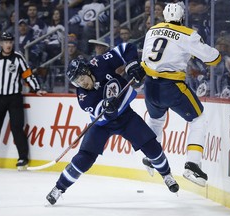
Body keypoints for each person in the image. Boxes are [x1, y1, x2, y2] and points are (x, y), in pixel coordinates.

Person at [46, 42, 179, 205]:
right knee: (84, 158)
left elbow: (126, 48)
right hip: (102, 125)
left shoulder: (99, 63)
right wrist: (107, 109)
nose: (82, 84)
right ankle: (59, 188)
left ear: (86, 70)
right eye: (77, 82)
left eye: (81, 78)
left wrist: (131, 65)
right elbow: (100, 117)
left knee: (152, 146)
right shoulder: (83, 97)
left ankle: (166, 175)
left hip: (126, 117)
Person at [140, 3, 221, 187]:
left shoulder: (153, 29)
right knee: (198, 119)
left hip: (150, 86)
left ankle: (151, 156)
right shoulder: (188, 34)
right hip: (171, 86)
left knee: (156, 120)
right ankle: (193, 164)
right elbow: (213, 58)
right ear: (182, 17)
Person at [0, 32, 45, 170]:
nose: (8, 45)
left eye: (10, 42)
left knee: (17, 128)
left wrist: (36, 89)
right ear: (1, 44)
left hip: (14, 98)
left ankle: (23, 158)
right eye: (5, 42)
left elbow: (27, 75)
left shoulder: (18, 58)